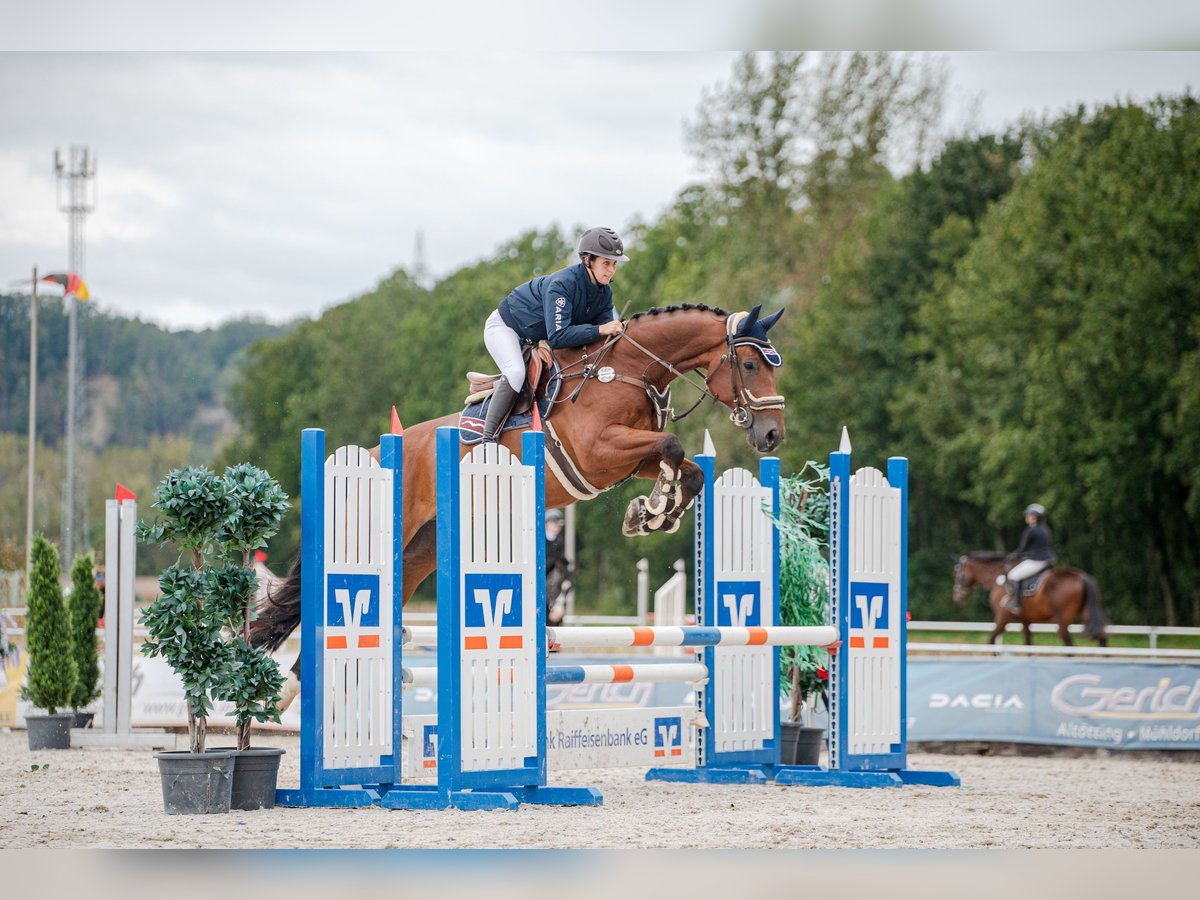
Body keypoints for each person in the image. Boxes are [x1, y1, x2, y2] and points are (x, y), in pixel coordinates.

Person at [479, 226, 629, 442]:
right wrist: (600, 329)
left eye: (614, 264)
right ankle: (488, 439)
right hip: (505, 328)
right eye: (606, 263)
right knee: (515, 373)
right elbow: (559, 337)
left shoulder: (604, 292)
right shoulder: (562, 285)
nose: (611, 270)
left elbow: (605, 333)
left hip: (536, 338)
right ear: (587, 260)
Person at [1003, 503, 1055, 614]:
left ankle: (1016, 604)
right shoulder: (1046, 529)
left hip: (1038, 561)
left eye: (1028, 515)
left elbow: (1023, 548)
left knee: (1013, 576)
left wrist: (1013, 555)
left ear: (1033, 517)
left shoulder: (1031, 530)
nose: (1026, 517)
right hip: (1049, 560)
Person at [544, 508, 570, 627]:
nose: (558, 527)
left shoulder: (559, 540)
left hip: (553, 575)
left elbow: (561, 560)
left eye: (559, 525)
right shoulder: (539, 538)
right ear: (547, 523)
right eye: (555, 524)